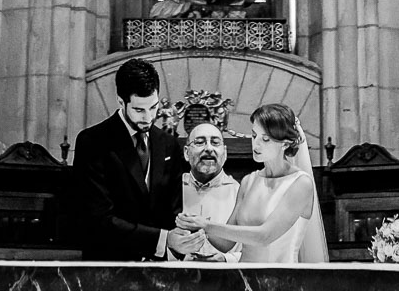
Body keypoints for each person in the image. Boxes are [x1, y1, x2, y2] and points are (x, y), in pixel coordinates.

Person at [70, 59, 188, 260]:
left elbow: (173, 211)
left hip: (159, 269)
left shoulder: (168, 144)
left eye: (153, 107)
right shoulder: (93, 142)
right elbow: (97, 218)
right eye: (139, 110)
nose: (148, 117)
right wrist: (162, 239)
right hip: (109, 266)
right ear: (120, 102)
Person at [177, 103, 320, 263]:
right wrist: (196, 225)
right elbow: (226, 244)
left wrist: (207, 225)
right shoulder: (248, 181)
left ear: (285, 144)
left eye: (265, 139)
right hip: (244, 281)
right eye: (254, 136)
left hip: (280, 279)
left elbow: (264, 236)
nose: (256, 144)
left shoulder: (301, 183)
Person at [170, 115, 240, 261]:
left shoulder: (240, 193)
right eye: (200, 142)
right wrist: (176, 254)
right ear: (186, 152)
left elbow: (257, 249)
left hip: (229, 278)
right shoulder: (168, 190)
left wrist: (226, 259)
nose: (209, 148)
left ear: (225, 153)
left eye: (215, 142)